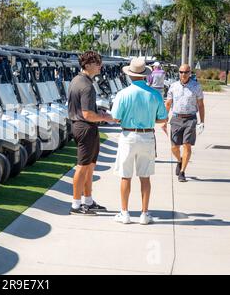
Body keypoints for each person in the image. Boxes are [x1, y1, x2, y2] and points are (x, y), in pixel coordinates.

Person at [112, 57, 168, 225]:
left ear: (130, 75)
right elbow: (162, 119)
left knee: (125, 176)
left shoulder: (123, 94)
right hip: (147, 136)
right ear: (145, 75)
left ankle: (125, 213)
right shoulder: (155, 94)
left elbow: (115, 117)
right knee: (145, 177)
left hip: (128, 136)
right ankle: (144, 214)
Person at [68, 51, 114, 216]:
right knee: (82, 167)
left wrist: (99, 113)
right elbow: (87, 114)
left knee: (89, 166)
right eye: (96, 63)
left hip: (84, 126)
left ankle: (88, 201)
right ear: (87, 65)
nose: (100, 66)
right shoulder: (86, 85)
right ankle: (75, 205)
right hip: (85, 126)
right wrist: (107, 117)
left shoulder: (77, 80)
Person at [162, 64, 205, 183]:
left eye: (186, 72)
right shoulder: (173, 86)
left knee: (187, 145)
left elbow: (201, 105)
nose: (183, 74)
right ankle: (180, 160)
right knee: (174, 147)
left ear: (190, 73)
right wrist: (164, 120)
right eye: (181, 72)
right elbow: (168, 104)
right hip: (176, 119)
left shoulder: (196, 87)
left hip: (190, 119)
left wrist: (202, 121)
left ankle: (182, 172)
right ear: (179, 73)